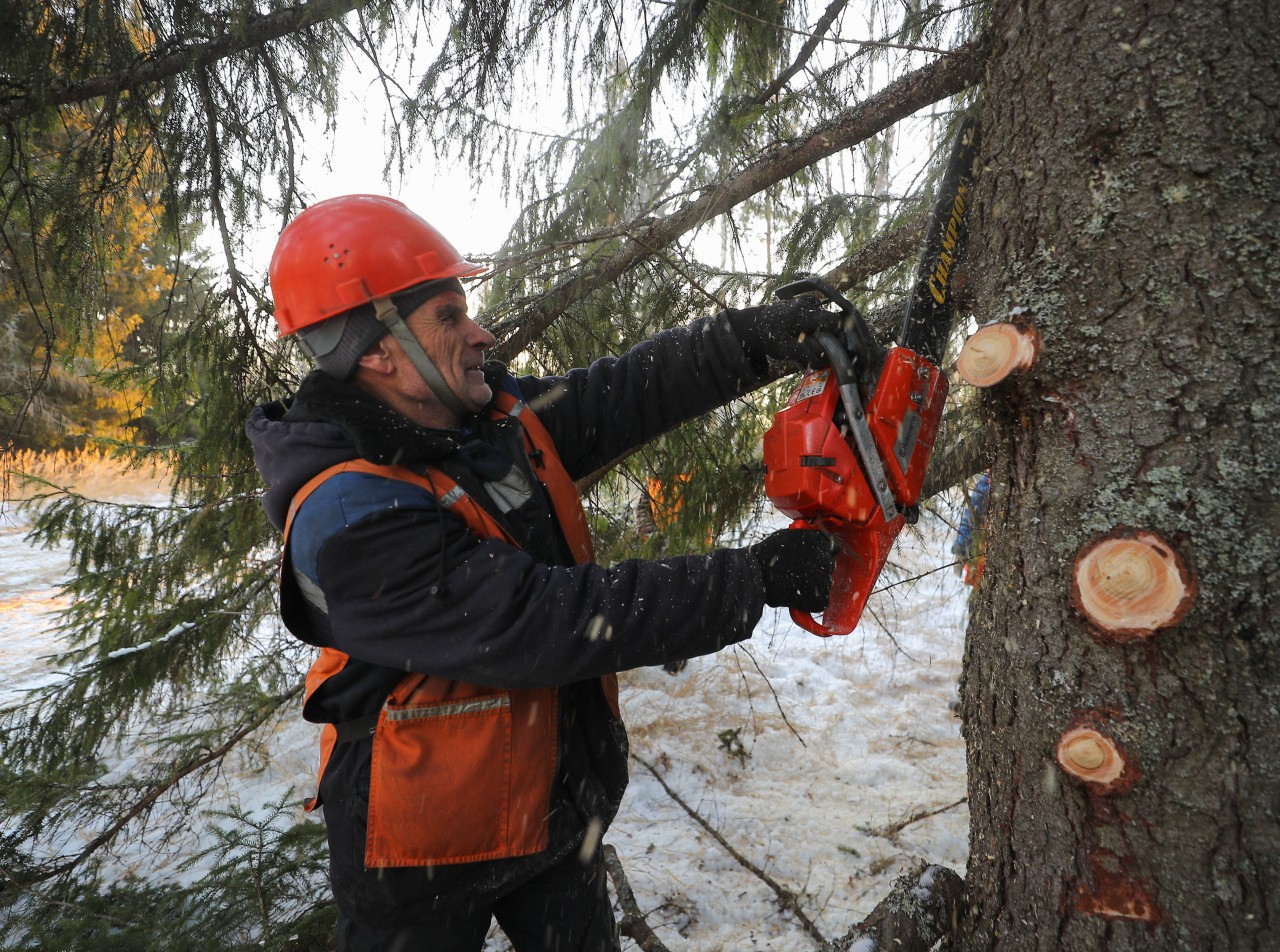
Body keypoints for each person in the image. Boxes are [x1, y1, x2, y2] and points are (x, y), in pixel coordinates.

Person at [245, 195, 843, 952]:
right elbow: (538, 621)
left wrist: (750, 342)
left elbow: (619, 394)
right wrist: (751, 580)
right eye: (449, 316)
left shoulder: (488, 422)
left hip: (554, 807)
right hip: (419, 845)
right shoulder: (347, 512)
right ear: (377, 351)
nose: (479, 334)